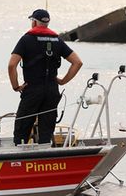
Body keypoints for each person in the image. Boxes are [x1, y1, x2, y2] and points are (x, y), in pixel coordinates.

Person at [8, 9, 83, 145]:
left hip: (32, 90)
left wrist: (16, 86)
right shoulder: (57, 40)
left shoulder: (26, 39)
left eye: (32, 21)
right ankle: (45, 157)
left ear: (35, 22)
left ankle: (20, 157)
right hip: (51, 91)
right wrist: (63, 81)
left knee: (22, 129)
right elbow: (77, 62)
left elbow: (12, 65)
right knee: (46, 131)